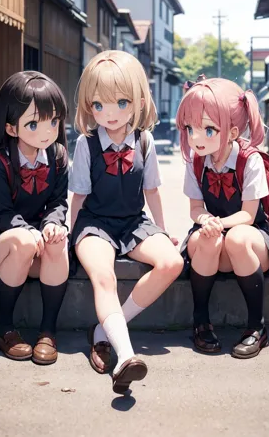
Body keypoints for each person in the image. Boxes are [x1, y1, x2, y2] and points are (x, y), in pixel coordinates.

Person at [69, 50, 184, 394]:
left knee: (172, 261)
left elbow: (152, 191)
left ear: (137, 101)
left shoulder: (144, 142)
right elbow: (77, 198)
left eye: (122, 102)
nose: (111, 113)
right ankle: (125, 355)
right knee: (103, 275)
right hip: (95, 224)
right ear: (89, 106)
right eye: (99, 105)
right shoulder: (85, 144)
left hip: (135, 222)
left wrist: (162, 230)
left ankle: (103, 332)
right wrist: (70, 237)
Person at [0, 71, 69, 365]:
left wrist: (52, 224)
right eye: (34, 124)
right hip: (0, 249)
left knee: (58, 241)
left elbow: (58, 201)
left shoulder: (59, 156)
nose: (46, 131)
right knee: (23, 240)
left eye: (53, 121)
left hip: (37, 251)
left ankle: (47, 331)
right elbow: (3, 214)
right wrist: (29, 231)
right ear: (12, 128)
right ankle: (4, 328)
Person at [177, 77, 269, 359]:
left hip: (249, 241)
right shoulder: (195, 160)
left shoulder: (250, 160)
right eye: (190, 128)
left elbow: (248, 214)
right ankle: (201, 322)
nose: (195, 137)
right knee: (208, 238)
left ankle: (257, 327)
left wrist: (219, 223)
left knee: (235, 236)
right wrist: (207, 220)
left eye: (207, 129)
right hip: (213, 241)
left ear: (233, 131)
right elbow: (195, 209)